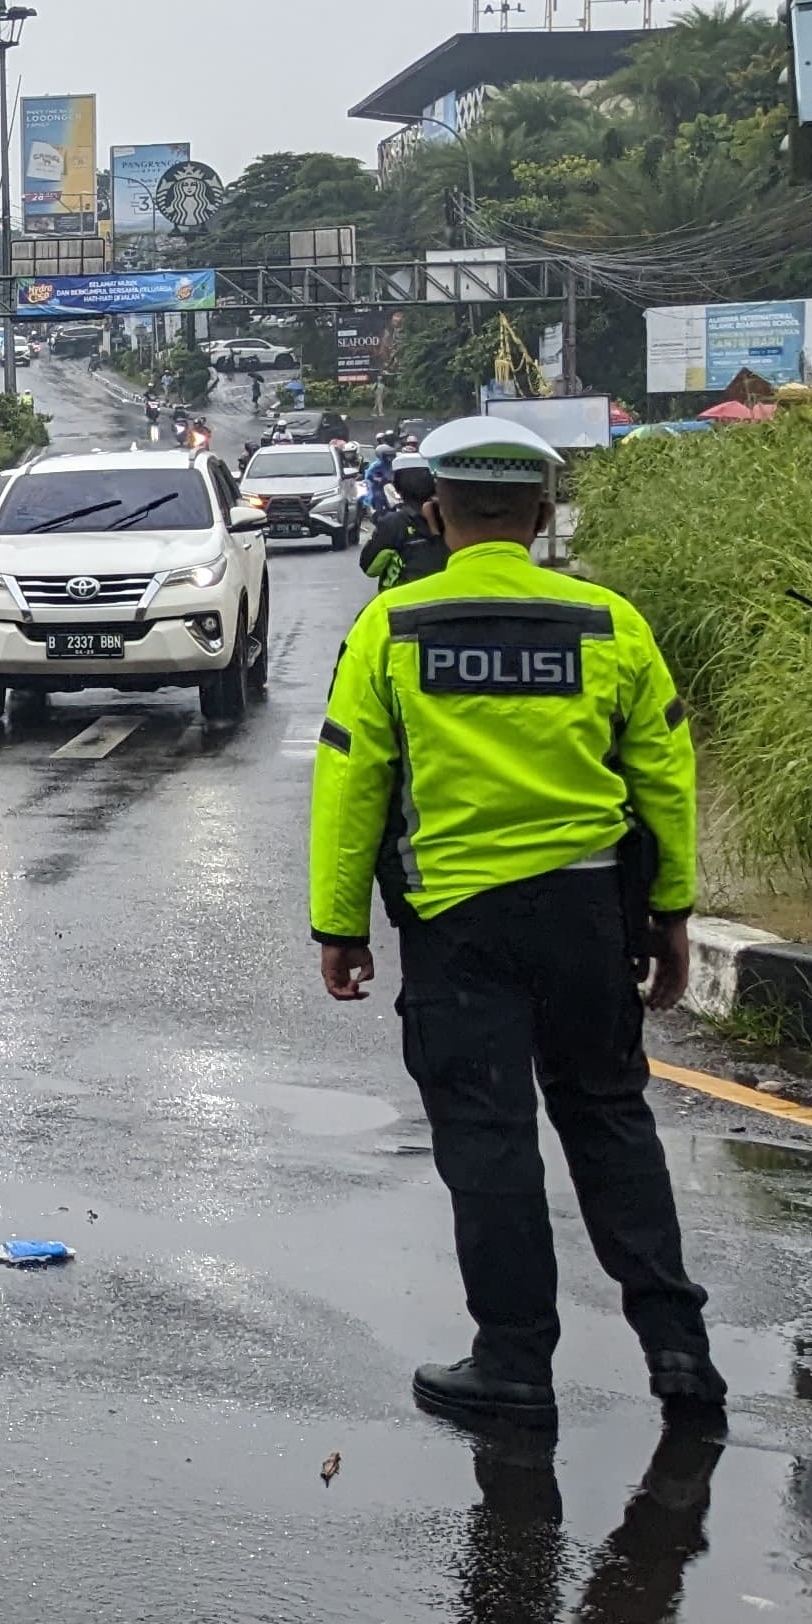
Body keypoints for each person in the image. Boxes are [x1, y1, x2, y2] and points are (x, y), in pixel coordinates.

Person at [307, 414, 718, 1433]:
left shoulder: (394, 626)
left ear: (436, 513)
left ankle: (514, 1367)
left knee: (489, 1143)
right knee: (612, 1121)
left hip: (458, 927)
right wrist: (671, 913)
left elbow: (352, 778)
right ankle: (680, 1356)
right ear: (541, 515)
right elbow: (663, 775)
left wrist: (339, 924)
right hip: (589, 920)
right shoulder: (607, 622)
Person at [359, 458, 448, 590]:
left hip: (401, 603)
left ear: (397, 487)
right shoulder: (452, 518)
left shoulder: (393, 523)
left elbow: (370, 567)